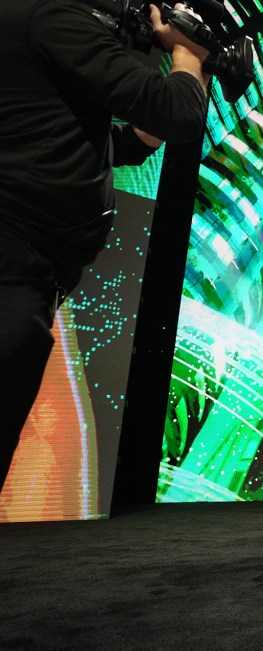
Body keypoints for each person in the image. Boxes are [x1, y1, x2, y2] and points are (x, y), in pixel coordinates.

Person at [0, 0, 210, 491]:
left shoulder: (38, 31)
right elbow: (177, 113)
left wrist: (192, 72)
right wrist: (189, 54)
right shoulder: (52, 17)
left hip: (27, 269)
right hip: (12, 260)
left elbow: (99, 144)